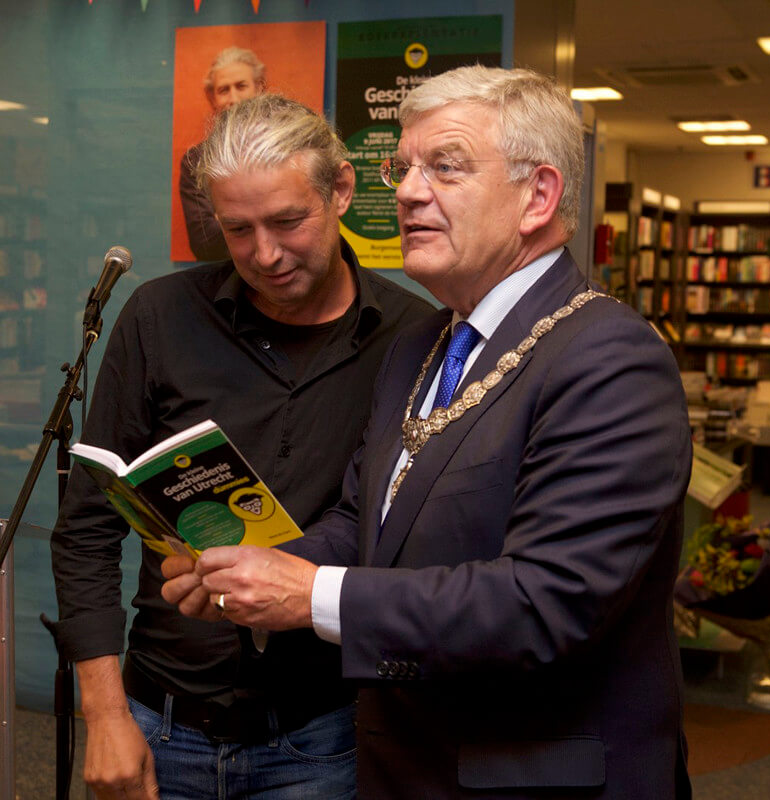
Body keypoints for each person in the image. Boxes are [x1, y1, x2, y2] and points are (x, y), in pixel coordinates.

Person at [162, 65, 693, 799]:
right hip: (407, 765)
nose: (408, 192)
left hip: (531, 779)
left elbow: (546, 602)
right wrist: (251, 569)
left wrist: (312, 594)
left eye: (445, 168)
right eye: (403, 167)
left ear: (538, 196)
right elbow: (364, 522)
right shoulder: (424, 344)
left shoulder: (609, 358)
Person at [51, 93, 436, 800]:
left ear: (341, 190)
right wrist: (102, 712)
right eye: (237, 230)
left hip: (325, 733)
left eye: (289, 221)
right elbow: (85, 528)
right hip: (158, 717)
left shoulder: (414, 337)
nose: (266, 253)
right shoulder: (160, 317)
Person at [179, 46, 266, 261]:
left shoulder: (289, 147)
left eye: (241, 86)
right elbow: (204, 243)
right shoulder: (196, 160)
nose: (233, 99)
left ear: (260, 89)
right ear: (212, 99)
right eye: (223, 90)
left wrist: (225, 220)